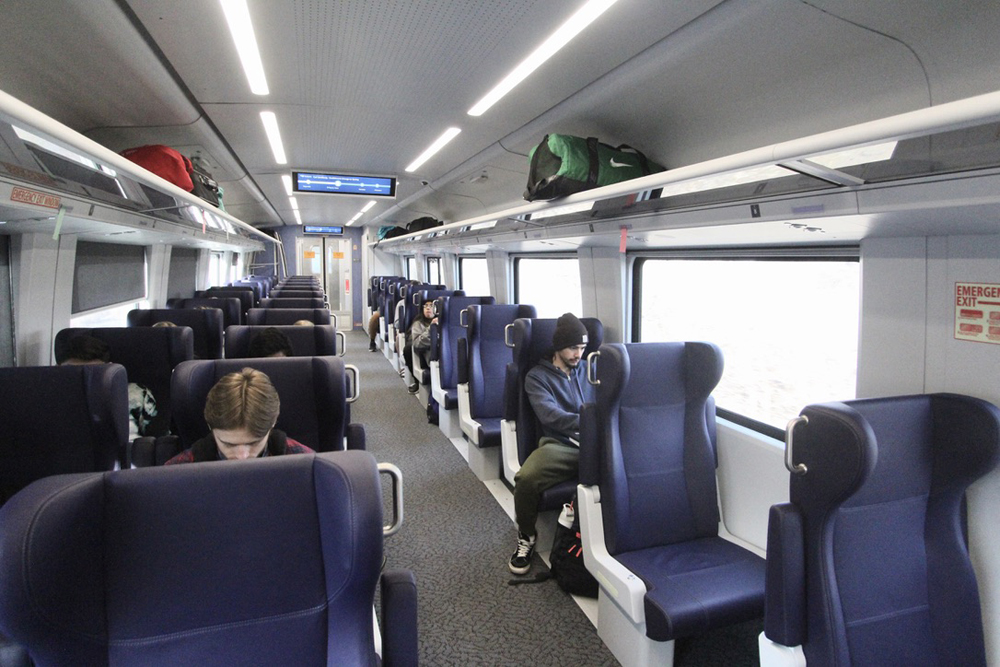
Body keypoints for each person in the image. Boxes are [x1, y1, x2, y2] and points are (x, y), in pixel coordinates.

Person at [509, 313, 595, 575]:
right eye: (572, 348)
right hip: (561, 445)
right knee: (526, 478)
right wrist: (589, 421)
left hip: (595, 442)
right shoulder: (536, 376)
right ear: (558, 347)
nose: (578, 354)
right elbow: (549, 415)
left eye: (582, 348)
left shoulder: (591, 370)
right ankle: (526, 536)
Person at [165, 368, 313, 463]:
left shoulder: (306, 463)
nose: (242, 456)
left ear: (273, 422)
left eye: (254, 443)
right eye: (228, 444)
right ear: (210, 426)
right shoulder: (175, 473)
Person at [58, 335, 159, 440]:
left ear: (109, 368)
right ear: (57, 369)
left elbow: (156, 442)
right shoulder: (49, 397)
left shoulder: (135, 395)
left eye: (94, 372)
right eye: (72, 372)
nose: (83, 380)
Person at [403, 299, 435, 393]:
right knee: (408, 349)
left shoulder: (444, 322)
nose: (428, 308)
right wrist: (431, 329)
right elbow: (417, 343)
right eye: (426, 306)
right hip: (426, 356)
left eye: (431, 305)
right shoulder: (418, 324)